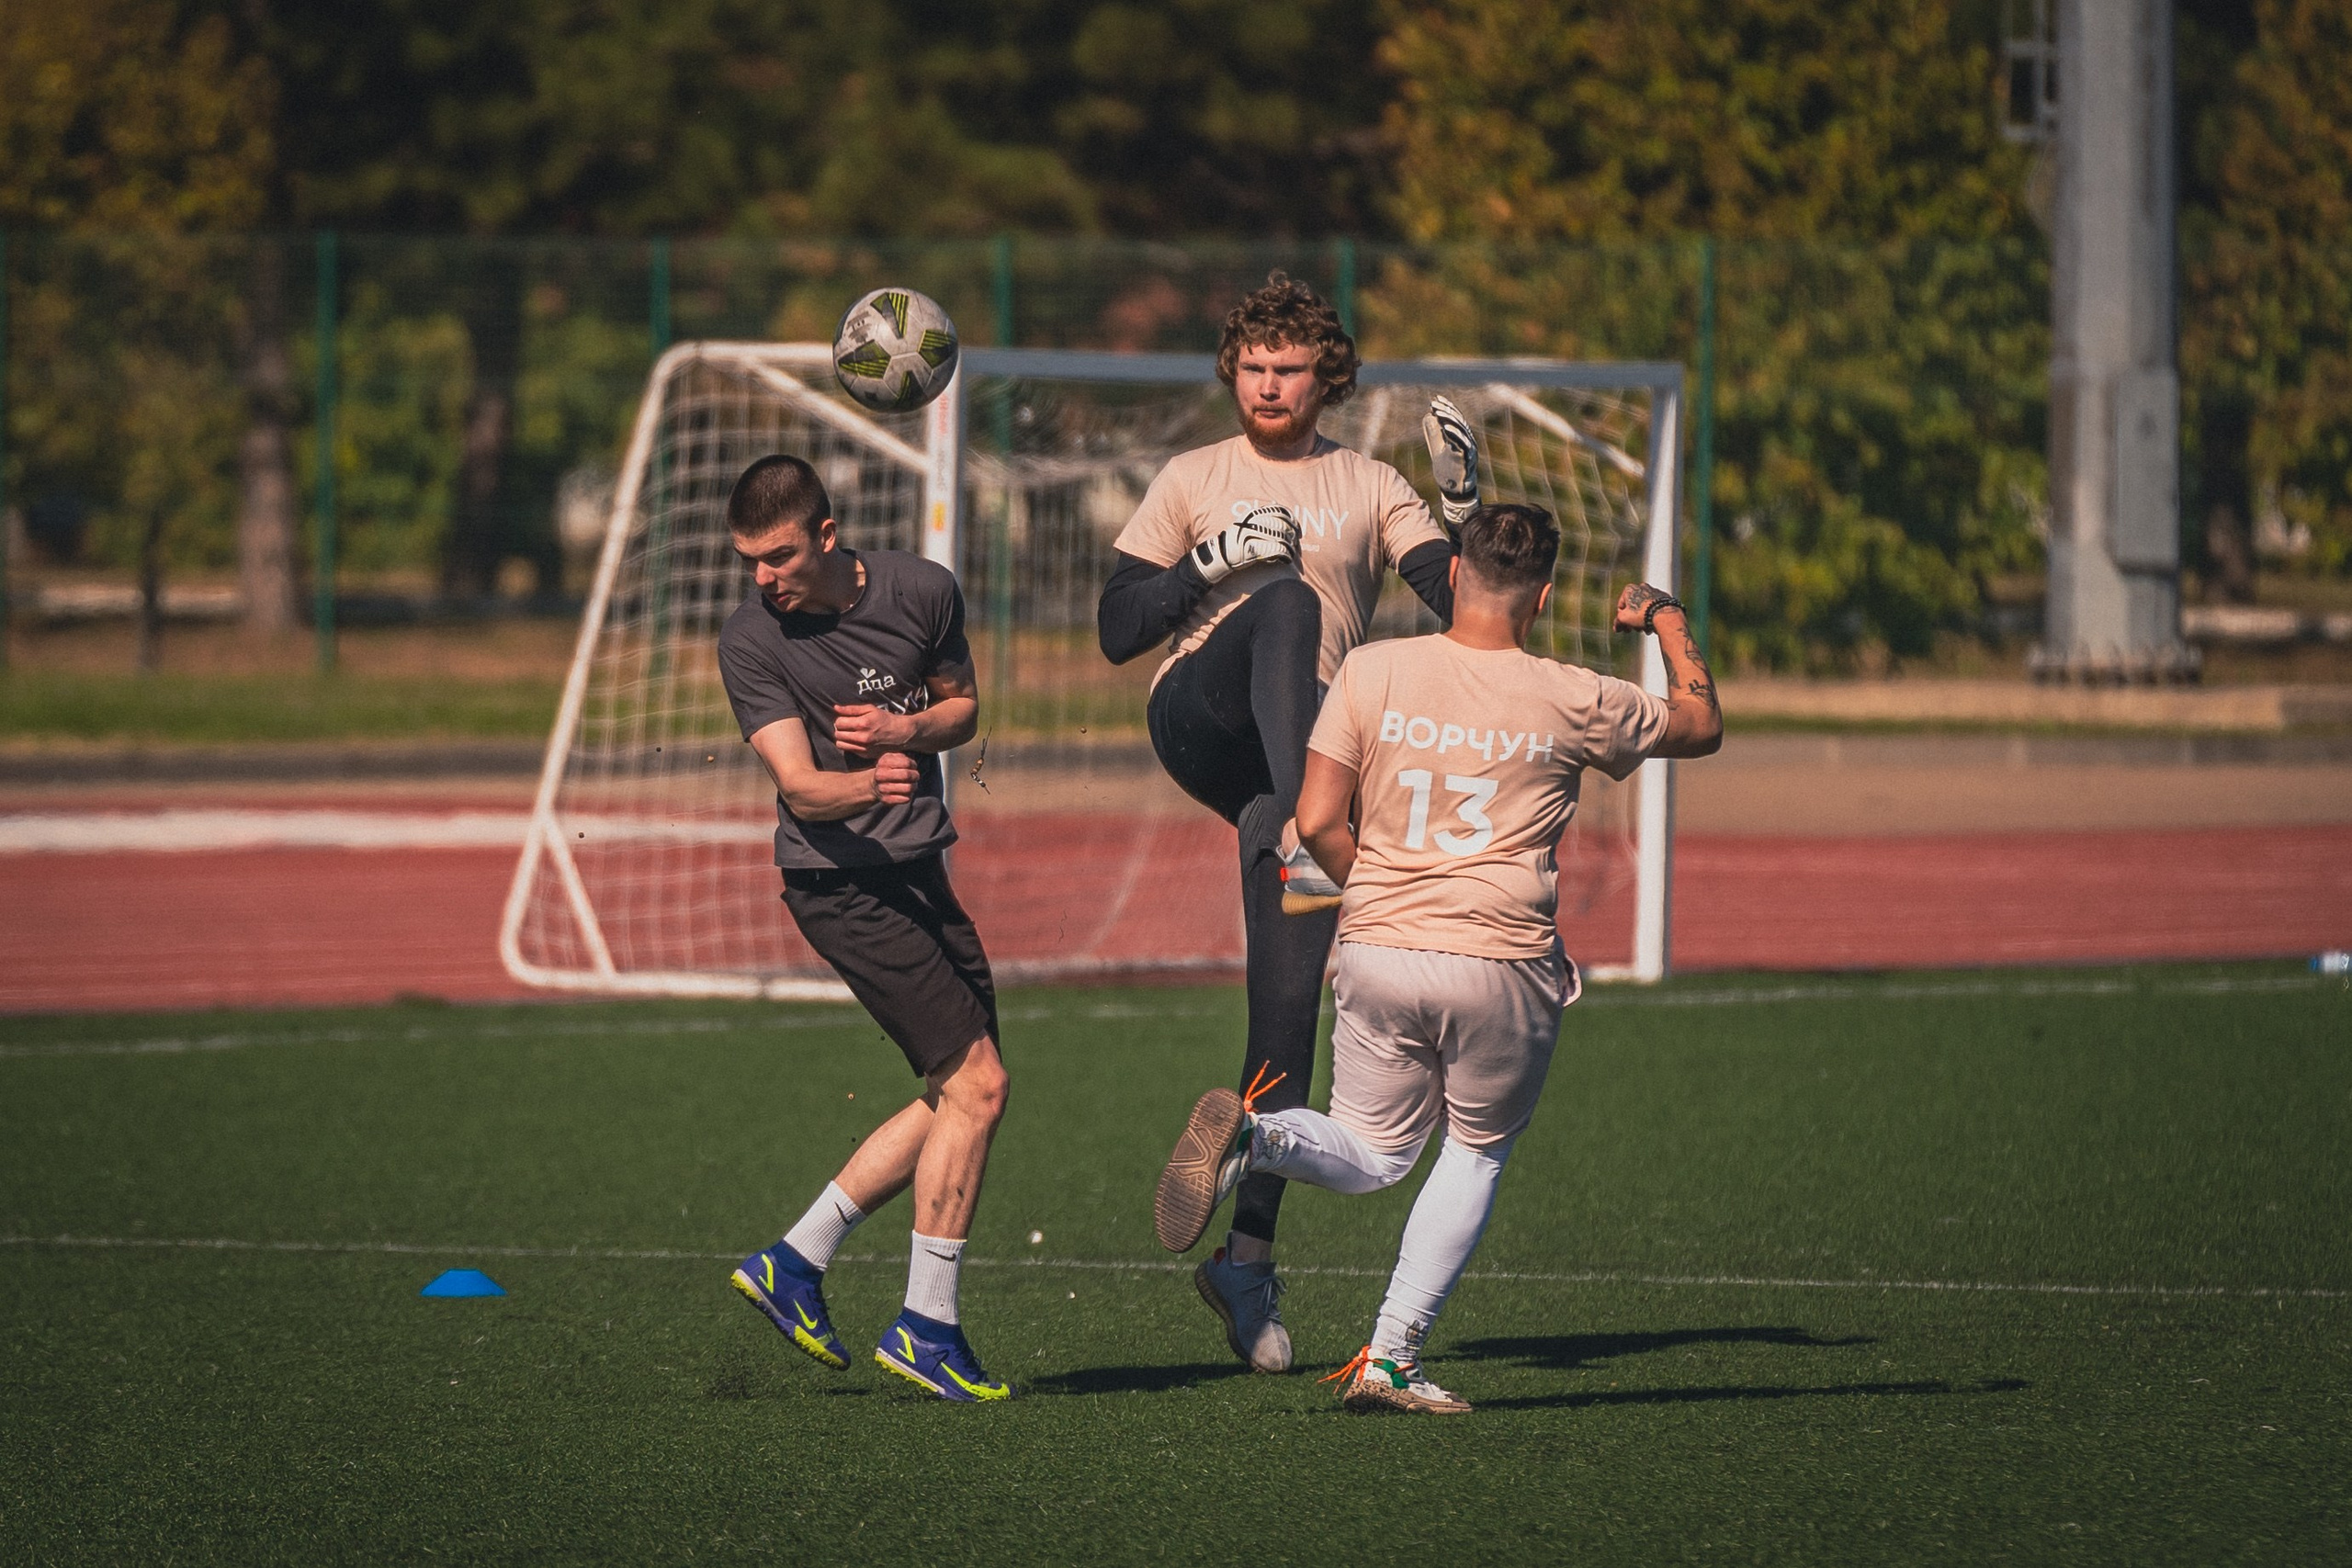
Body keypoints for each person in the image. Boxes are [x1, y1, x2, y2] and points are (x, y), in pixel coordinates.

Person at [1150, 502, 1723, 1413]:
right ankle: (1391, 1357)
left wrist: (1375, 886)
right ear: (1539, 598)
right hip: (1499, 959)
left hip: (1376, 947)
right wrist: (1667, 621)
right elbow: (1699, 725)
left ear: (1453, 576)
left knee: (1374, 1149)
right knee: (1476, 1148)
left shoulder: (1374, 669)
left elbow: (1315, 823)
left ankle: (1257, 1138)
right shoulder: (1575, 693)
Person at [1097, 274, 1482, 1373]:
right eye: (1252, 366)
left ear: (1329, 379)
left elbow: (1462, 606)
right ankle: (1311, 830)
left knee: (1283, 1027)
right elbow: (1118, 628)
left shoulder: (1369, 480)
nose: (1267, 384)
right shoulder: (1191, 477)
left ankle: (1245, 1260)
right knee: (1286, 602)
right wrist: (1204, 567)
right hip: (1204, 718)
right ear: (1233, 371)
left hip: (1303, 777)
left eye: (1289, 368)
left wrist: (1460, 519)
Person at [715, 454, 1013, 1403]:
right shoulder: (749, 640)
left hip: (919, 867)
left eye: (777, 556)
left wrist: (905, 736)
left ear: (827, 536)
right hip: (838, 885)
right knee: (978, 1086)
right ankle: (927, 1327)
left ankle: (794, 1263)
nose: (763, 578)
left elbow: (961, 708)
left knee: (958, 1096)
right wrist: (864, 783)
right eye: (748, 561)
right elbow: (799, 786)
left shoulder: (923, 590)